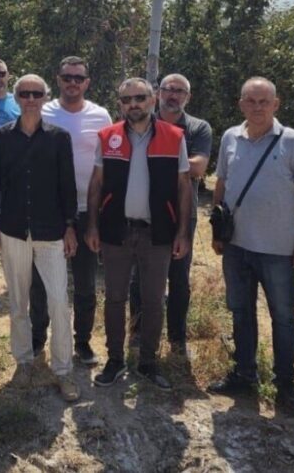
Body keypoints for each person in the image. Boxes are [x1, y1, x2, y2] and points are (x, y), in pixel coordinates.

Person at [207, 77, 294, 414]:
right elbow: (221, 184)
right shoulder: (230, 137)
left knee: (283, 317)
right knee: (241, 312)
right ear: (241, 104)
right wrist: (217, 230)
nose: (257, 107)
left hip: (279, 250)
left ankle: (286, 385)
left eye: (263, 101)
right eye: (250, 101)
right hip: (237, 247)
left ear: (276, 104)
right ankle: (244, 373)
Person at [86, 78, 192, 389]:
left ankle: (148, 362)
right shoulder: (108, 136)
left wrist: (183, 232)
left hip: (157, 232)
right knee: (115, 299)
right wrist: (92, 225)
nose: (134, 104)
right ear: (119, 104)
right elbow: (96, 184)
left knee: (153, 300)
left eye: (140, 98)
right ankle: (115, 359)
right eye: (127, 99)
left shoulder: (174, 137)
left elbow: (184, 188)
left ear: (152, 99)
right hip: (115, 232)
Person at [0, 74, 80, 402]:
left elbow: (67, 186)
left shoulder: (58, 138)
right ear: (16, 96)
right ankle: (24, 361)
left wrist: (70, 226)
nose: (30, 98)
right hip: (12, 230)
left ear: (45, 97)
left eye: (36, 93)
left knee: (58, 303)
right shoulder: (2, 138)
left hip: (51, 232)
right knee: (19, 302)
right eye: (24, 93)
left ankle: (63, 370)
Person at [31, 57, 111, 366]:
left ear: (87, 82)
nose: (73, 82)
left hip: (86, 211)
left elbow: (105, 166)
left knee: (86, 283)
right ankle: (39, 338)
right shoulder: (44, 111)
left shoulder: (100, 116)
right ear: (58, 79)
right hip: (48, 213)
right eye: (67, 77)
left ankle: (83, 342)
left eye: (79, 77)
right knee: (41, 282)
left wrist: (98, 216)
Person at [129, 74, 212, 355]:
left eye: (179, 91)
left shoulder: (198, 128)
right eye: (168, 90)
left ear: (188, 97)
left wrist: (157, 161)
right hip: (145, 210)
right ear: (157, 94)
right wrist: (171, 164)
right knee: (139, 276)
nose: (173, 95)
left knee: (179, 277)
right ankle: (137, 333)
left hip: (181, 213)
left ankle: (177, 338)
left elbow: (199, 168)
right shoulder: (142, 122)